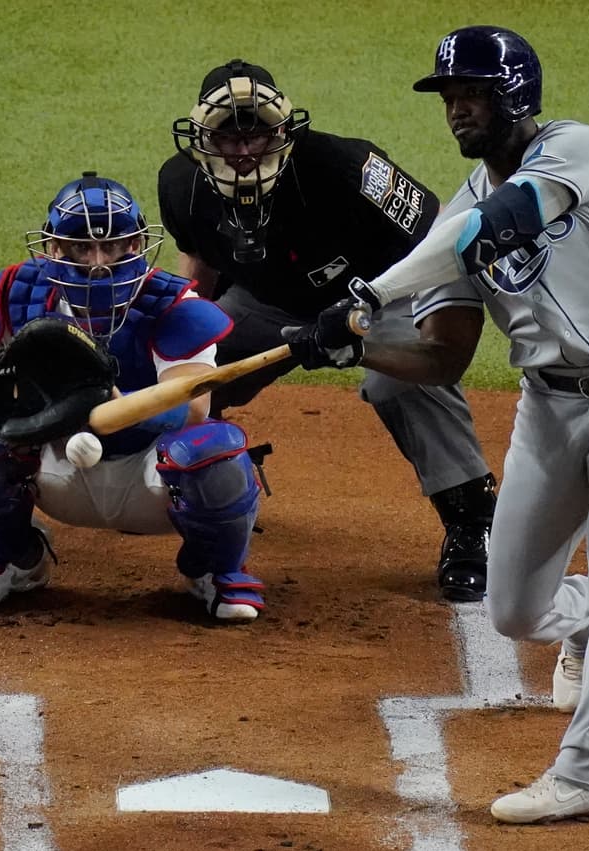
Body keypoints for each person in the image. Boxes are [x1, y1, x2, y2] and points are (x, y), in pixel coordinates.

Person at [283, 26, 589, 823]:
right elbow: (440, 357)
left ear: (516, 95)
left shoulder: (581, 151)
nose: (457, 109)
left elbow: (500, 225)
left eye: (471, 92)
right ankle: (584, 626)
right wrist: (349, 341)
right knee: (513, 609)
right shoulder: (458, 213)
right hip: (550, 409)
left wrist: (365, 299)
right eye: (448, 96)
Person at [156, 59, 498, 603]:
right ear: (202, 137)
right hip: (269, 302)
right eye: (228, 135)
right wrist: (184, 344)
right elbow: (200, 270)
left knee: (400, 383)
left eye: (258, 133)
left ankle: (472, 524)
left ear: (284, 130)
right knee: (187, 368)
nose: (244, 150)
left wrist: (371, 317)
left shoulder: (345, 167)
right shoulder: (181, 183)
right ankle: (199, 483)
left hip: (382, 293)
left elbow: (439, 241)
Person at [0, 171, 267, 622]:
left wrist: (113, 402)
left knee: (215, 447)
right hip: (55, 468)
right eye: (81, 246)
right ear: (55, 247)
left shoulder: (173, 306)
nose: (98, 261)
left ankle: (212, 570)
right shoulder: (17, 294)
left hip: (148, 475)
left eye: (113, 245)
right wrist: (45, 410)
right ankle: (14, 561)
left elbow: (194, 407)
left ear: (135, 244)